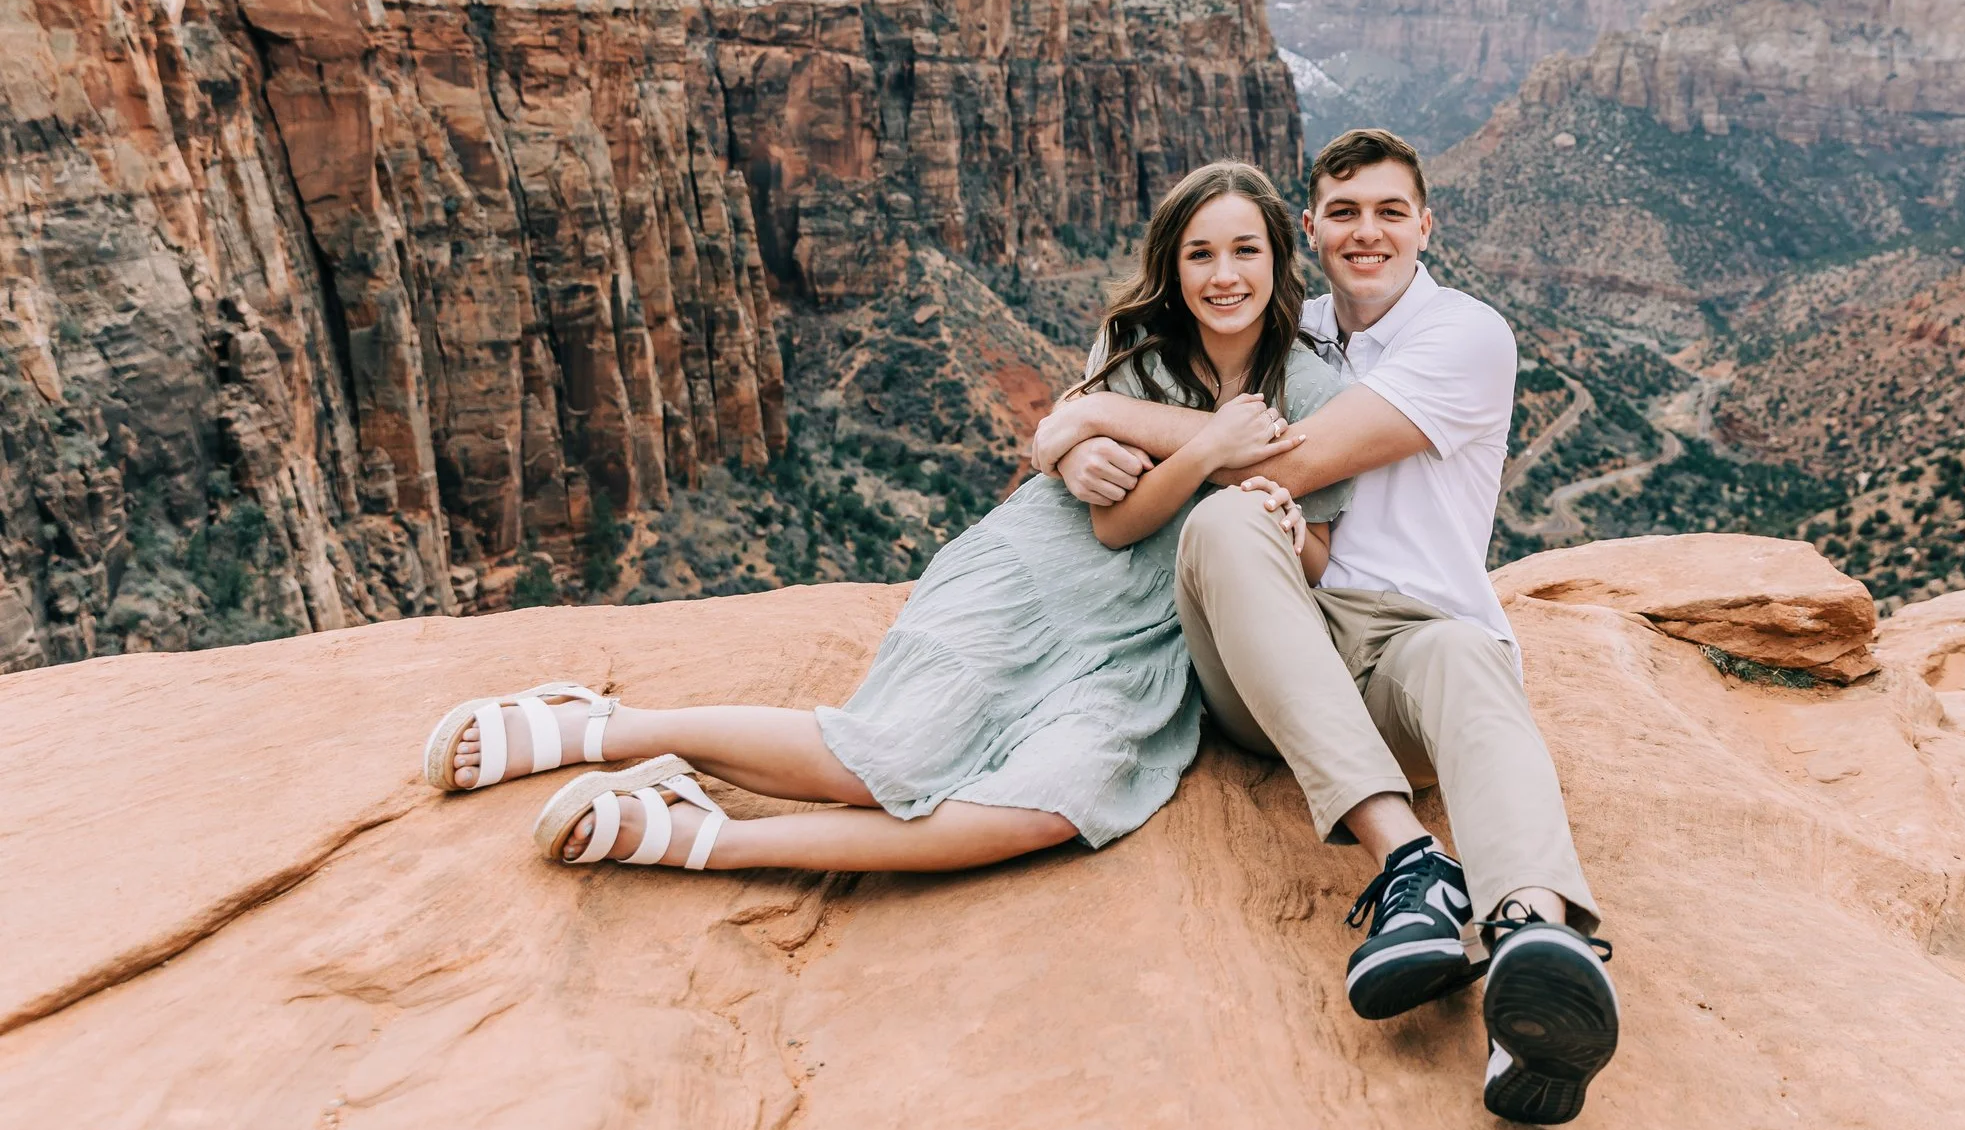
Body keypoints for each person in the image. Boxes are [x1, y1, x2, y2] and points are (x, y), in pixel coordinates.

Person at [416, 161, 1350, 882]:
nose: (1223, 276)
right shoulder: (1137, 348)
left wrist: (1090, 425)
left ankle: (713, 839)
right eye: (1199, 253)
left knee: (1058, 805)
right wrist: (1186, 445)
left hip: (1146, 647)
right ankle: (602, 727)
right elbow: (1112, 530)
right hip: (1044, 581)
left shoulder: (1315, 384)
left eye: (1244, 251)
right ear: (1171, 265)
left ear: (1278, 258)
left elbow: (1310, 556)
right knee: (890, 760)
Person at [1032, 127, 1618, 1127]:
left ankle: (1532, 951)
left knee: (1470, 654)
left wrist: (1087, 422)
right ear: (1309, 227)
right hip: (1270, 655)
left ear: (1426, 223)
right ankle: (1412, 867)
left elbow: (1284, 456)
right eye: (1343, 211)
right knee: (1225, 521)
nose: (1367, 231)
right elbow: (1199, 439)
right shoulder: (1282, 326)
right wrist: (1065, 431)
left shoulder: (1462, 332)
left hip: (1403, 648)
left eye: (1391, 210)